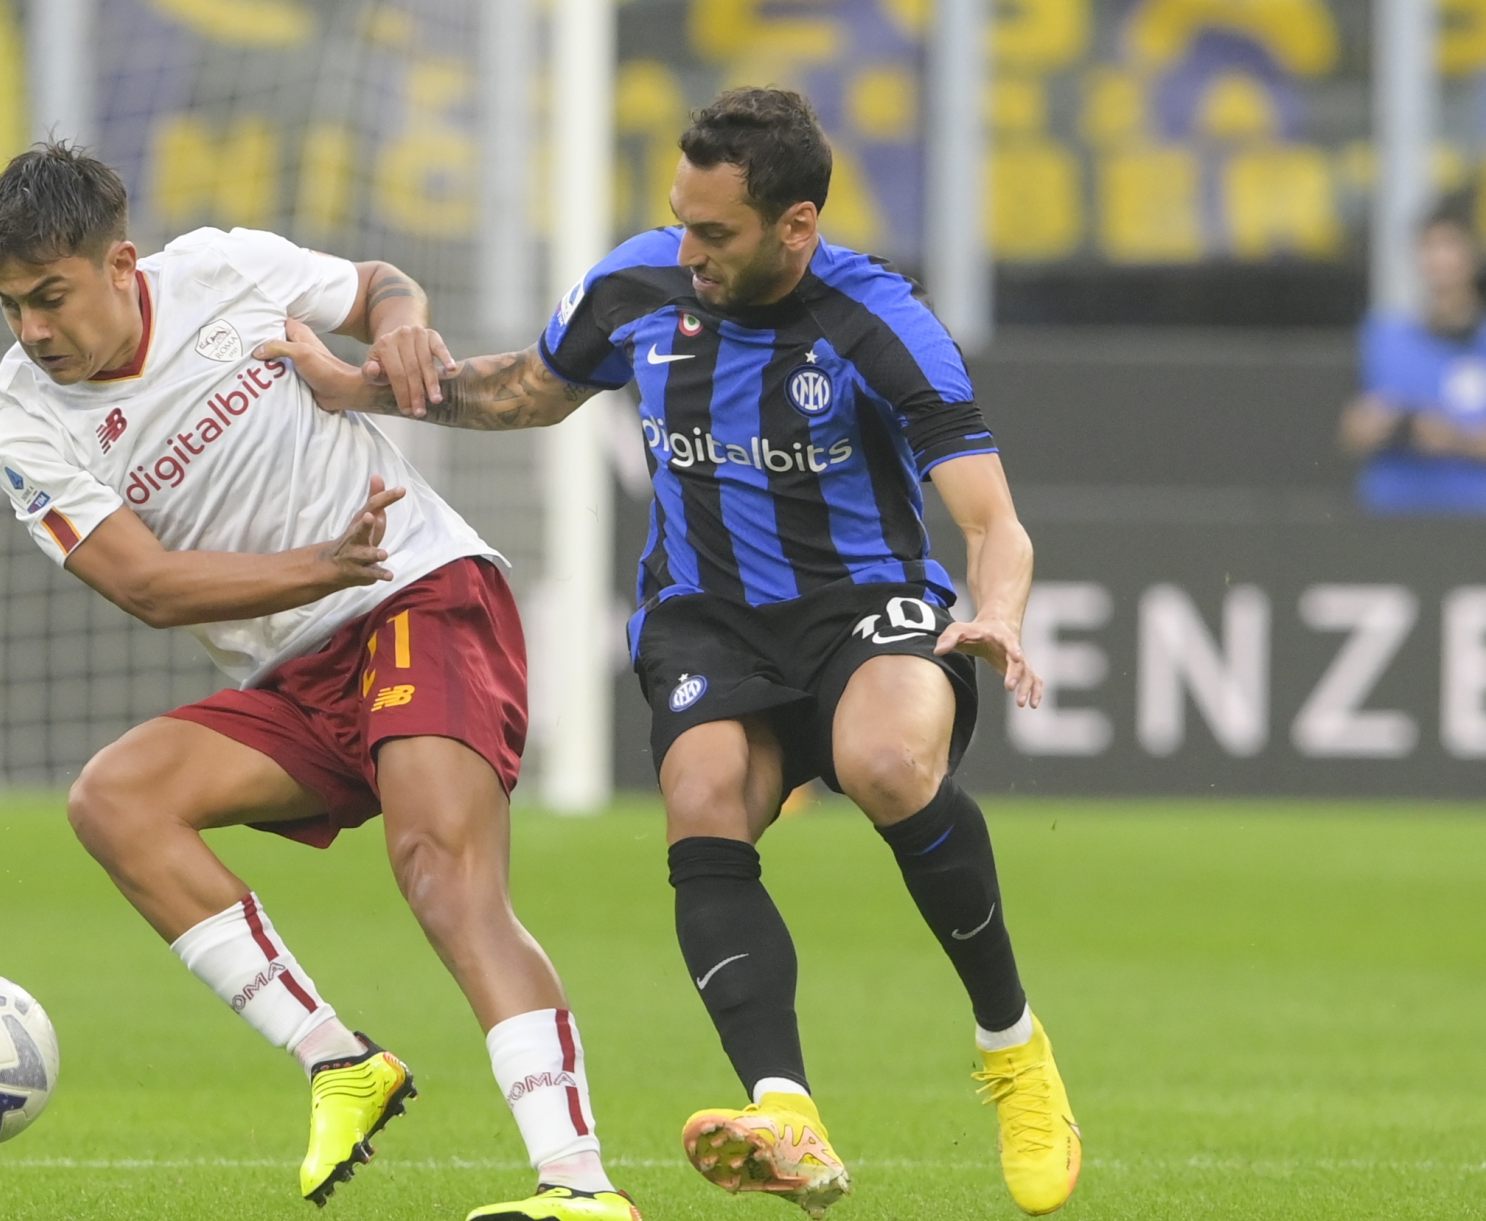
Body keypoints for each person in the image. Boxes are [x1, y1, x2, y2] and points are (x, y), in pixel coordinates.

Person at [269, 88, 1079, 1218]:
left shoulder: (879, 322)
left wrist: (996, 610)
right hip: (706, 616)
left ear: (796, 228)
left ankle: (1012, 1049)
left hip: (864, 604)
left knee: (887, 764)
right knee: (700, 793)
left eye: (716, 234)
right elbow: (532, 391)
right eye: (681, 222)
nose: (687, 251)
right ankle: (785, 1113)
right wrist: (365, 389)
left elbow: (993, 520)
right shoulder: (639, 284)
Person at [0, 143, 637, 1221]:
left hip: (416, 593)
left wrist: (402, 322)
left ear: (120, 263)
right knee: (117, 799)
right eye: (11, 308)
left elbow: (374, 286)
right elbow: (144, 584)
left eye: (49, 297)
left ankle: (579, 1188)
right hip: (296, 666)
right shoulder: (20, 418)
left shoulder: (222, 270)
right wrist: (315, 569)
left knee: (441, 875)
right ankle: (338, 1061)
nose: (33, 331)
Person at [1342, 191, 1486, 515]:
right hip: (1395, 520)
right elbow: (1353, 428)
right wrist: (1389, 425)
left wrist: (1452, 438)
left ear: (1472, 254)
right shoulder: (1384, 336)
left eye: (1449, 245)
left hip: (1475, 524)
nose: (1438, 260)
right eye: (1428, 247)